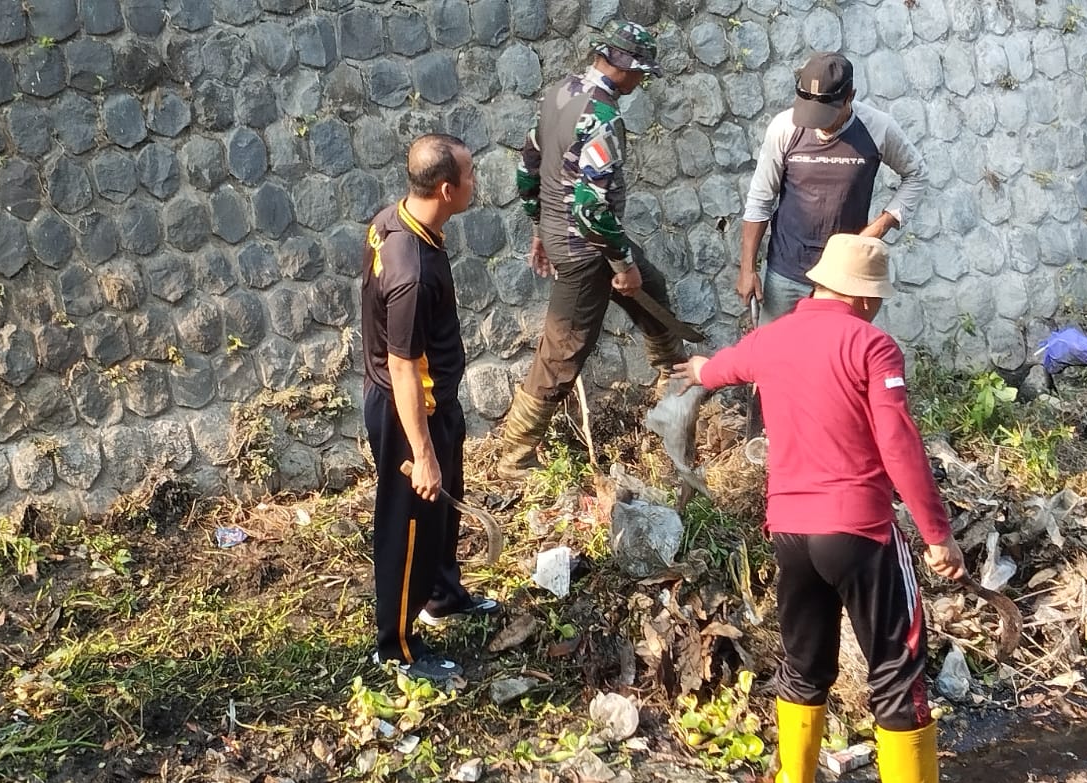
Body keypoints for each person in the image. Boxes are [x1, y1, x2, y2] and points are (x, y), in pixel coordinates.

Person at [674, 234, 991, 783]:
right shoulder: (872, 345)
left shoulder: (773, 338)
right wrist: (938, 536)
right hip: (859, 530)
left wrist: (697, 370)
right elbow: (898, 444)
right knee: (898, 664)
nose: (876, 308)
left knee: (804, 662)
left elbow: (720, 368)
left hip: (790, 532)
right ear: (863, 297)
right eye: (874, 298)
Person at [498, 20, 705, 480]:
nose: (641, 83)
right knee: (564, 348)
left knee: (652, 287)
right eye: (641, 74)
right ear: (625, 69)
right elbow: (592, 209)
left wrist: (539, 226)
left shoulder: (560, 93)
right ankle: (515, 455)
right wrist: (620, 264)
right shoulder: (604, 119)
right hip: (586, 248)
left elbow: (528, 165)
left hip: (565, 232)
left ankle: (676, 383)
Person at [361, 134, 500, 686]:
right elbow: (401, 368)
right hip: (406, 411)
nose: (475, 183)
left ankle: (442, 593)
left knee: (445, 503)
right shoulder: (411, 272)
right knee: (408, 525)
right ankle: (394, 646)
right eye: (470, 176)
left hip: (433, 401)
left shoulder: (394, 219)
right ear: (447, 189)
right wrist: (421, 454)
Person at [738, 52, 929, 325]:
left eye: (825, 114)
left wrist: (881, 226)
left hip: (845, 281)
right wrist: (747, 269)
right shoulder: (784, 127)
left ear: (850, 96)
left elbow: (916, 173)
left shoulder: (878, 128)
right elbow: (760, 199)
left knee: (835, 364)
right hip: (785, 273)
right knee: (772, 362)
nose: (816, 122)